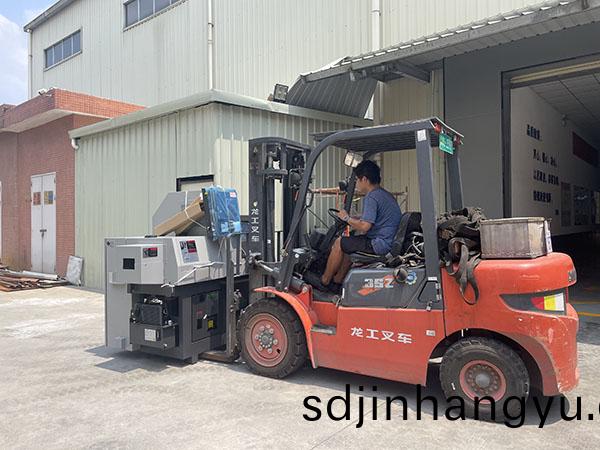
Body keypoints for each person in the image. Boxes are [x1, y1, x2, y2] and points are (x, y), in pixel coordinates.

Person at [320, 160, 402, 292]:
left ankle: (324, 281)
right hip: (387, 240)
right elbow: (372, 219)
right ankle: (337, 281)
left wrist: (347, 218)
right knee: (350, 245)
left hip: (379, 244)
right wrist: (353, 218)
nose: (357, 183)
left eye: (357, 180)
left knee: (339, 242)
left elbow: (364, 226)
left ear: (364, 179)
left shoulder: (372, 197)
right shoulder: (384, 194)